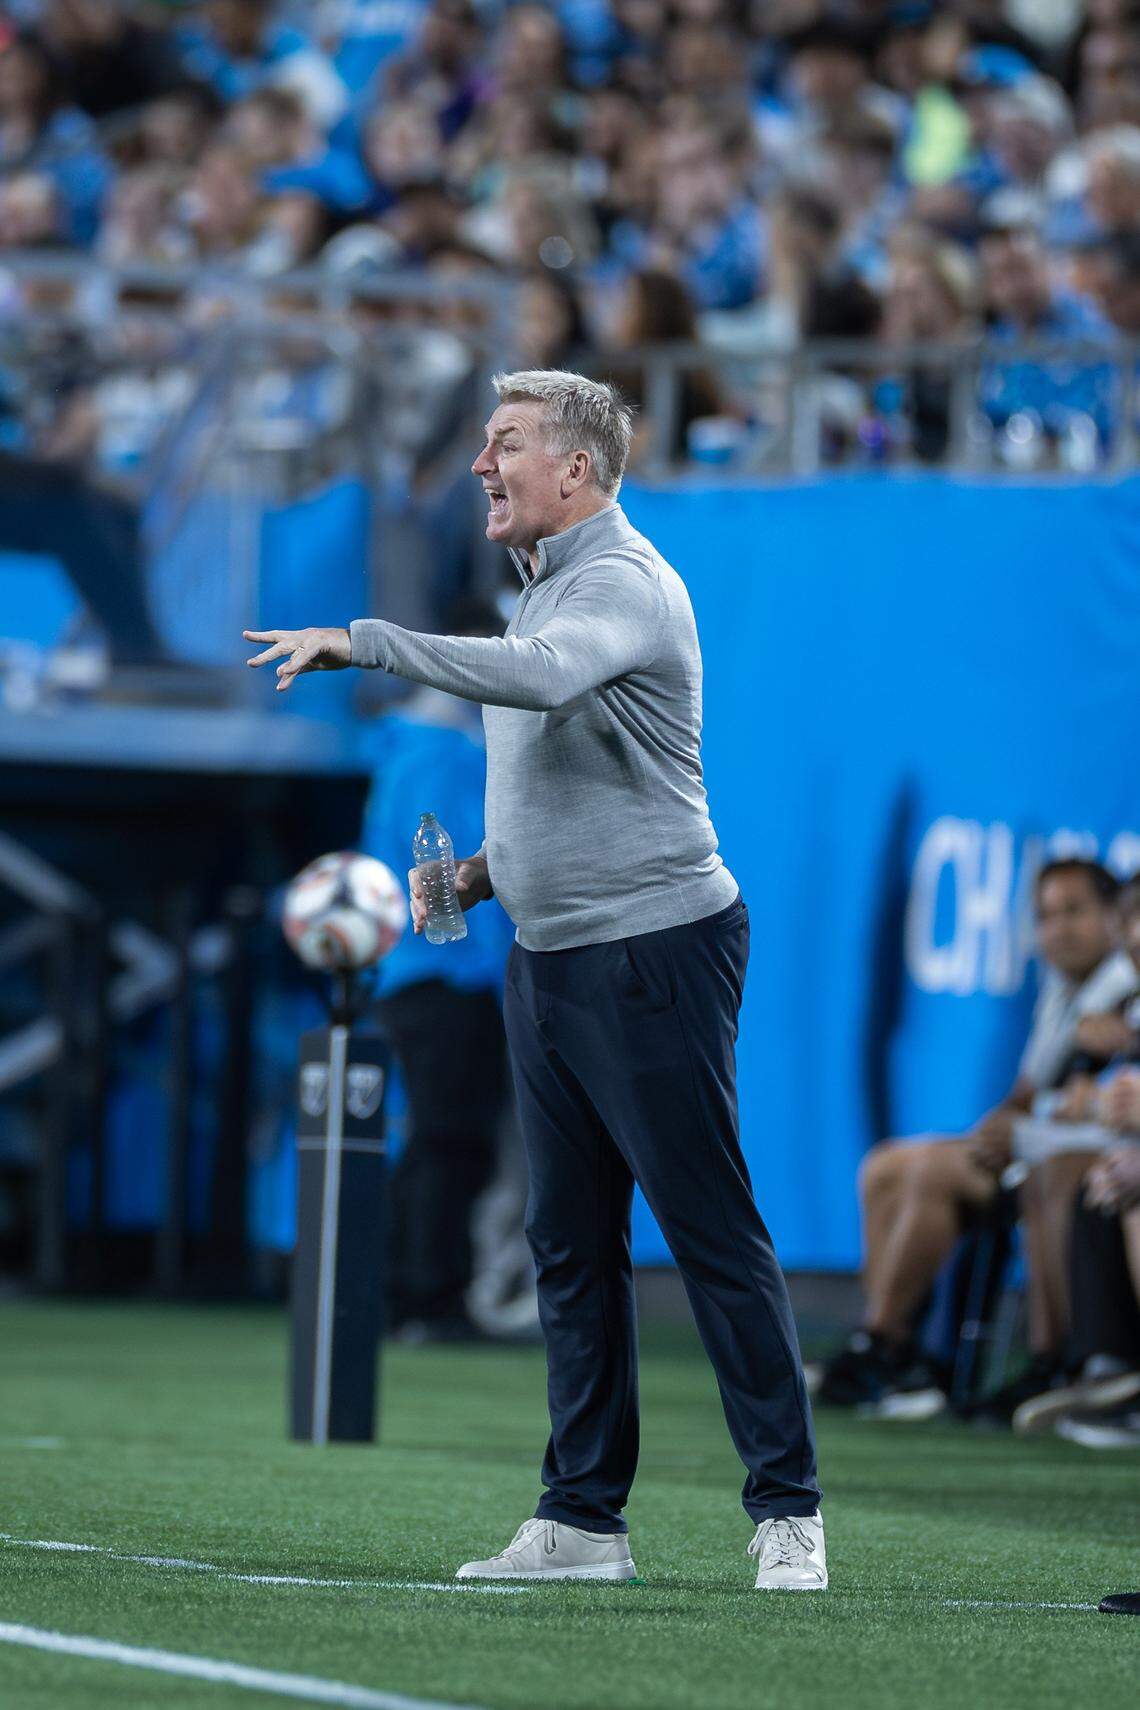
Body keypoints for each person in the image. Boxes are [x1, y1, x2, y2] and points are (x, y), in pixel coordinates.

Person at [245, 367, 825, 1592]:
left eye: (504, 442)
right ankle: (581, 1521)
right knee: (567, 1242)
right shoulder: (551, 588)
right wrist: (482, 878)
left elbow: (550, 679)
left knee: (711, 1235)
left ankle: (788, 1511)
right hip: (553, 955)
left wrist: (371, 643)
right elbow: (591, 783)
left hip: (654, 948)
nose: (479, 466)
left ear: (578, 469)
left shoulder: (618, 582)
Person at [813, 858, 1137, 1419]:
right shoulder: (1062, 986)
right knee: (886, 1165)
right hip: (1044, 1136)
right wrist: (1003, 1124)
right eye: (1045, 916)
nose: (1058, 928)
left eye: (1074, 911)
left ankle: (894, 1344)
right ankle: (891, 1344)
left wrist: (1040, 1113)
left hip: (1077, 1146)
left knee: (930, 1172)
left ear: (1113, 917)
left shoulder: (1121, 982)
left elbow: (1089, 1093)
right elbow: (1027, 1092)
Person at [357, 598, 516, 1342]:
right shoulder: (441, 758)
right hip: (446, 981)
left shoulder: (411, 752)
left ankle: (411, 1294)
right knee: (449, 1140)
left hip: (422, 977)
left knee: (439, 1138)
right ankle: (425, 1296)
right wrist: (485, 969)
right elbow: (442, 881)